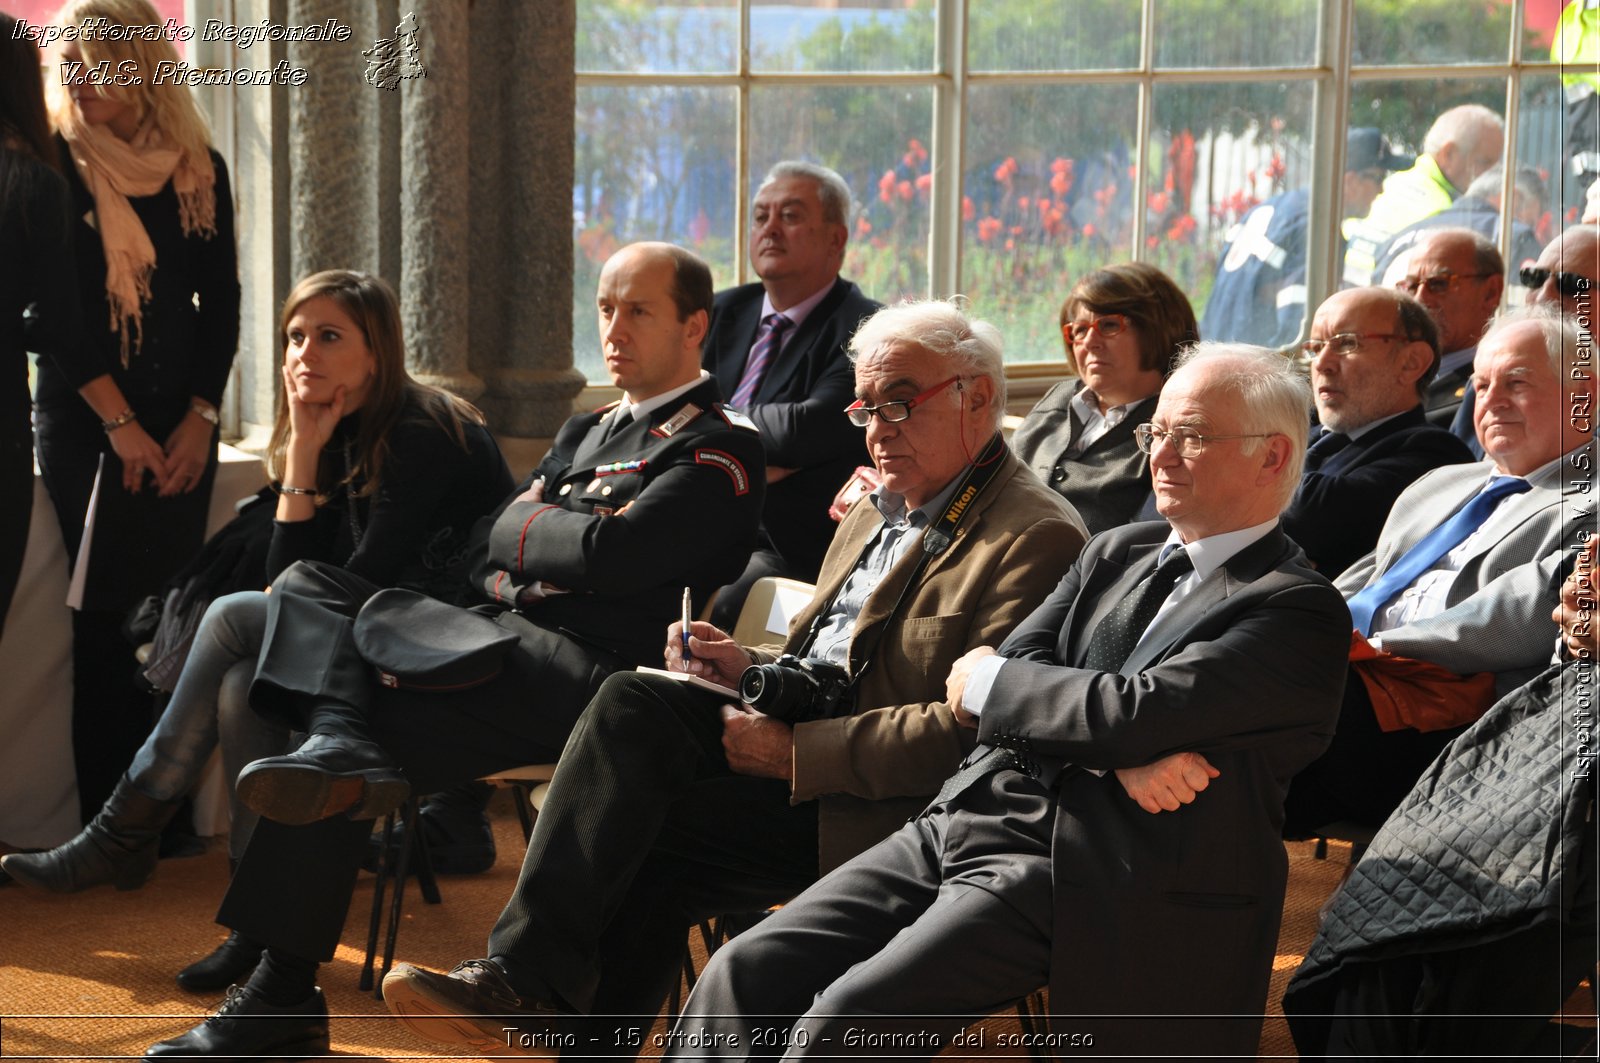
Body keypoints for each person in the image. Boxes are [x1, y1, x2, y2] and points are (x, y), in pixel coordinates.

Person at [379, 299, 1090, 1055]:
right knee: (642, 753)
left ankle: (529, 988)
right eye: (866, 409)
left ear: (977, 398)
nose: (879, 431)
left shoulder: (1033, 535)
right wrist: (745, 666)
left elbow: (975, 736)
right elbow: (832, 667)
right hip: (811, 765)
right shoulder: (877, 510)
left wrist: (794, 753)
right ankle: (539, 1001)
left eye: (900, 404)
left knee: (641, 766)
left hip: (894, 815)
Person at [130, 241, 768, 1061]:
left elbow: (622, 560)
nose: (613, 327)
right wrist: (555, 544)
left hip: (601, 684)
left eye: (637, 309)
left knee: (340, 724)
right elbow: (481, 544)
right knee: (305, 594)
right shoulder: (587, 427)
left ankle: (278, 969)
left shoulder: (719, 445)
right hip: (500, 643)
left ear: (694, 326)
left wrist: (528, 536)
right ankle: (283, 986)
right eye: (606, 307)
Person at [658, 343, 1351, 1061]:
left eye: (1193, 435)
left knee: (842, 1022)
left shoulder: (1296, 609)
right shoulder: (1116, 550)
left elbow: (1121, 709)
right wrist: (1109, 757)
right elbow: (1007, 678)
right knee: (742, 973)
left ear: (1272, 457)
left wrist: (1028, 699)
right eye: (1157, 432)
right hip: (963, 814)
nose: (1162, 455)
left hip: (1084, 865)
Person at [2, 269, 512, 979]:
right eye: (294, 337)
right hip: (369, 642)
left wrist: (310, 453)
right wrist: (303, 445)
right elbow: (293, 582)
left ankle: (126, 828)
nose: (304, 353)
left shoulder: (422, 430)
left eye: (329, 336)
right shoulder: (339, 426)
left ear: (378, 350)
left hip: (443, 655)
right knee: (244, 682)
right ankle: (255, 928)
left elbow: (341, 589)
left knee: (233, 616)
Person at [35, 0, 241, 822]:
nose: (81, 79)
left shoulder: (199, 167)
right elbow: (49, 319)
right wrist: (121, 427)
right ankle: (102, 823)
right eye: (71, 62)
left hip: (180, 418)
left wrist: (200, 416)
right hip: (88, 420)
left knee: (171, 619)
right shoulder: (52, 163)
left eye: (100, 61)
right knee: (102, 621)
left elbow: (220, 303)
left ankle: (157, 822)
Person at [1283, 306, 1595, 835]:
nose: (1490, 400)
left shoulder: (1588, 503)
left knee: (1264, 722)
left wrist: (1371, 648)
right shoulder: (1441, 483)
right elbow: (1366, 580)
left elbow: (1523, 615)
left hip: (1448, 715)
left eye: (1515, 383)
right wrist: (1290, 627)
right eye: (1481, 383)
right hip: (1349, 676)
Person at [1282, 539, 1597, 1060]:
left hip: (1462, 701)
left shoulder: (1571, 496)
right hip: (1543, 727)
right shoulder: (1438, 483)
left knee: (1463, 937)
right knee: (1373, 951)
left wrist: (1378, 647)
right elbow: (1559, 613)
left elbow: (1511, 621)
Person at [703, 161, 880, 628]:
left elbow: (810, 428)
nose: (770, 229)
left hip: (781, 542)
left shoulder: (867, 331)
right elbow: (661, 403)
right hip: (691, 514)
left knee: (725, 606)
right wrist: (759, 453)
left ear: (836, 239)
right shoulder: (720, 311)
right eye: (761, 217)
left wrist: (699, 426)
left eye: (791, 216)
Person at [1284, 286, 1474, 576]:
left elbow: (1311, 515)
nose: (1321, 364)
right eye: (1315, 348)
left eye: (1346, 343)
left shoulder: (1434, 453)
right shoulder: (1303, 428)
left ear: (1411, 363)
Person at [1011, 262, 1196, 533]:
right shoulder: (1060, 397)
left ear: (1157, 329)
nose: (1089, 341)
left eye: (1108, 325)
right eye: (1079, 330)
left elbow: (1151, 543)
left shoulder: (1177, 427)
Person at [1201, 127, 1410, 347]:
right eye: (1378, 178)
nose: (1381, 190)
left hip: (1215, 353)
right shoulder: (1316, 232)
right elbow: (1299, 336)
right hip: (1251, 368)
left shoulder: (1273, 208)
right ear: (1349, 180)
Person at [1344, 104, 1505, 286]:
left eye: (1496, 167)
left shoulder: (1391, 183)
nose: (1492, 176)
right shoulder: (1445, 212)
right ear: (1448, 154)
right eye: (1484, 162)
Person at [1388, 227, 1504, 442]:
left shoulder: (1495, 391)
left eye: (1438, 283)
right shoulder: (1384, 369)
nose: (1420, 299)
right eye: (1411, 286)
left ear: (1491, 292)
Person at [1370, 164, 1544, 286]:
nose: (1530, 227)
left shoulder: (1401, 236)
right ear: (1514, 198)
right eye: (1531, 220)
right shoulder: (1513, 236)